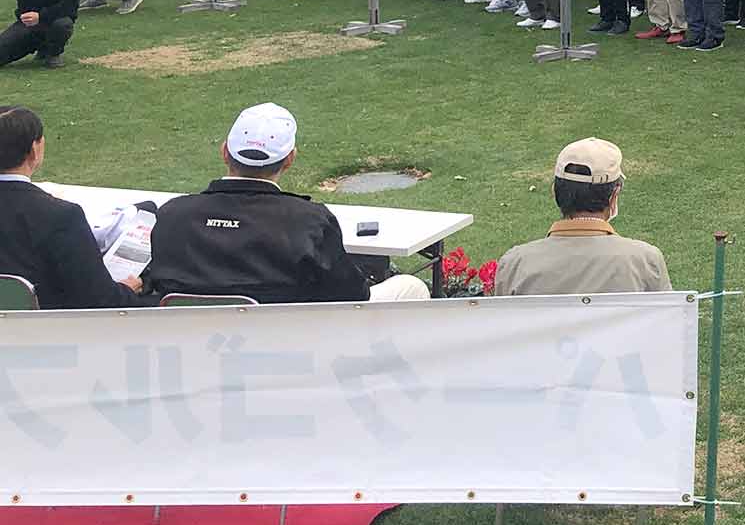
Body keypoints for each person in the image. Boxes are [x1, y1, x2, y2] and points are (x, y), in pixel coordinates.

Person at [144, 103, 429, 303]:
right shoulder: (308, 222)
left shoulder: (173, 215)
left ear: (224, 153)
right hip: (292, 348)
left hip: (192, 345)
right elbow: (352, 296)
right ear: (290, 159)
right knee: (411, 287)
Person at [0, 106, 141, 308]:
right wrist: (126, 290)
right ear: (34, 150)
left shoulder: (56, 214)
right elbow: (101, 301)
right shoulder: (60, 216)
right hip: (45, 333)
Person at [495, 138, 669, 296]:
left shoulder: (514, 264)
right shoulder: (645, 261)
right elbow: (667, 325)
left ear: (555, 191)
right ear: (613, 196)